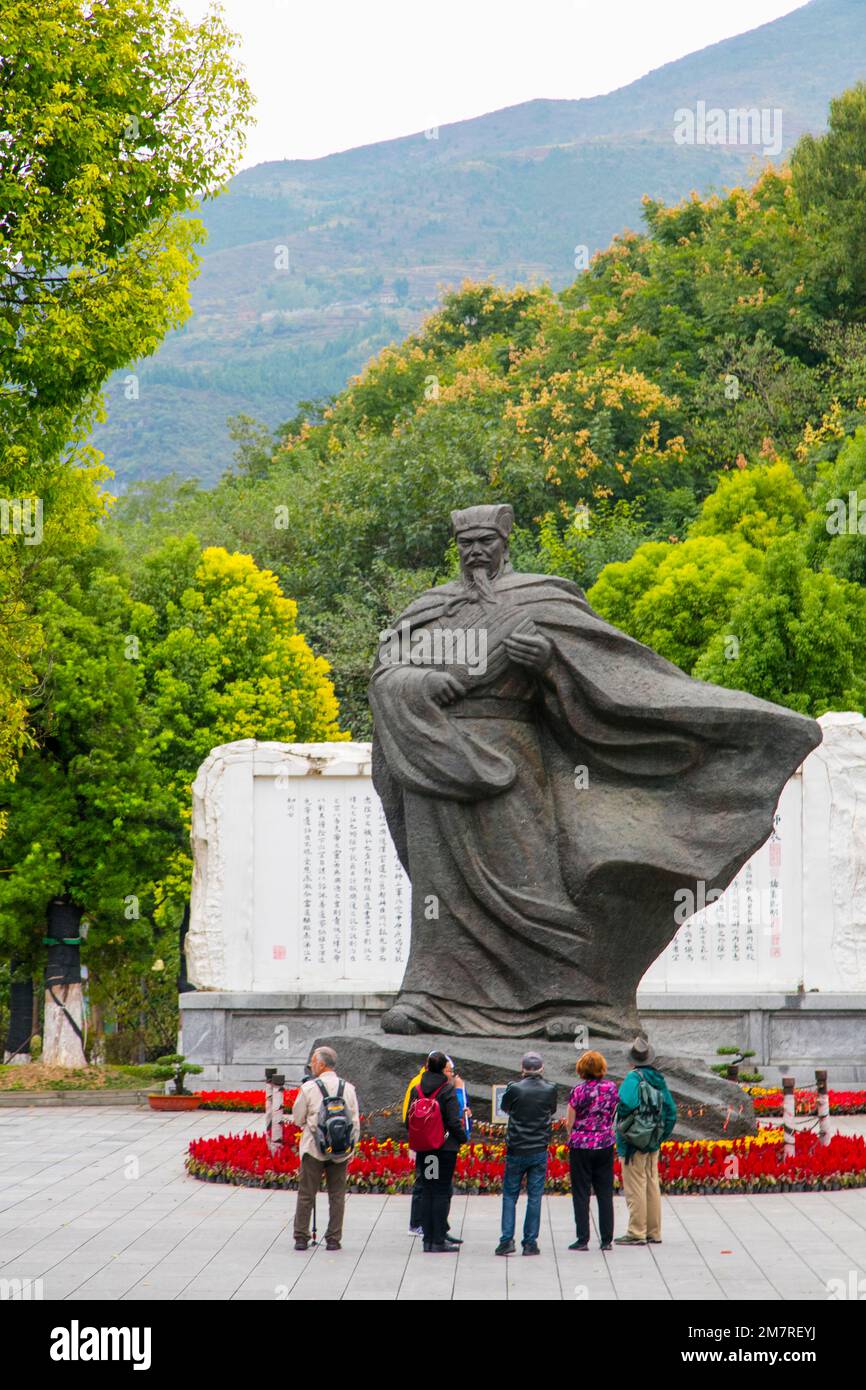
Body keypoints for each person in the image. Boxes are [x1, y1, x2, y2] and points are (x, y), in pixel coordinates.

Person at [291, 1045, 360, 1252]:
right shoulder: (348, 1088)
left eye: (313, 1061)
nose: (311, 1064)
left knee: (306, 1193)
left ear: (321, 1064)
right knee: (337, 1195)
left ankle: (301, 1237)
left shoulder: (309, 1088)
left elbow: (297, 1118)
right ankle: (333, 1239)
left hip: (313, 1147)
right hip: (340, 1150)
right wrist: (351, 1149)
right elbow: (354, 1122)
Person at [614, 1037, 677, 1247]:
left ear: (631, 1059)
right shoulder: (658, 1078)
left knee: (635, 1186)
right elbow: (671, 1112)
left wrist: (625, 1129)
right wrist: (659, 1135)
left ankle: (636, 1231)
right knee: (651, 1184)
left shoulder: (632, 1078)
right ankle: (654, 1231)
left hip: (633, 1144)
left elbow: (624, 1105)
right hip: (652, 1141)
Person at [495, 1051, 557, 1257]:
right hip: (538, 1148)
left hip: (517, 1148)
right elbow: (552, 1109)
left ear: (522, 1069)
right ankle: (530, 1242)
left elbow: (505, 1107)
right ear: (541, 1069)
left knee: (510, 1196)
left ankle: (506, 1240)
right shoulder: (550, 1089)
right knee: (535, 1197)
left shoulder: (514, 1089)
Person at [403, 1055, 471, 1238]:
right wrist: (462, 1138)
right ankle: (439, 1237)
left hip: (426, 1149)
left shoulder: (417, 1089)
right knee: (442, 1191)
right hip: (444, 1148)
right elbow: (453, 1121)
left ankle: (429, 1237)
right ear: (442, 1070)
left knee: (428, 1188)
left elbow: (409, 1120)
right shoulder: (447, 1089)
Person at [566, 1050, 619, 1252]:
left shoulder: (578, 1091)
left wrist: (572, 1133)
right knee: (605, 1192)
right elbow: (614, 1111)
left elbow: (570, 1120)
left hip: (581, 1145)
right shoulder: (611, 1088)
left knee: (581, 1192)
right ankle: (606, 1240)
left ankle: (582, 1239)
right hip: (604, 1143)